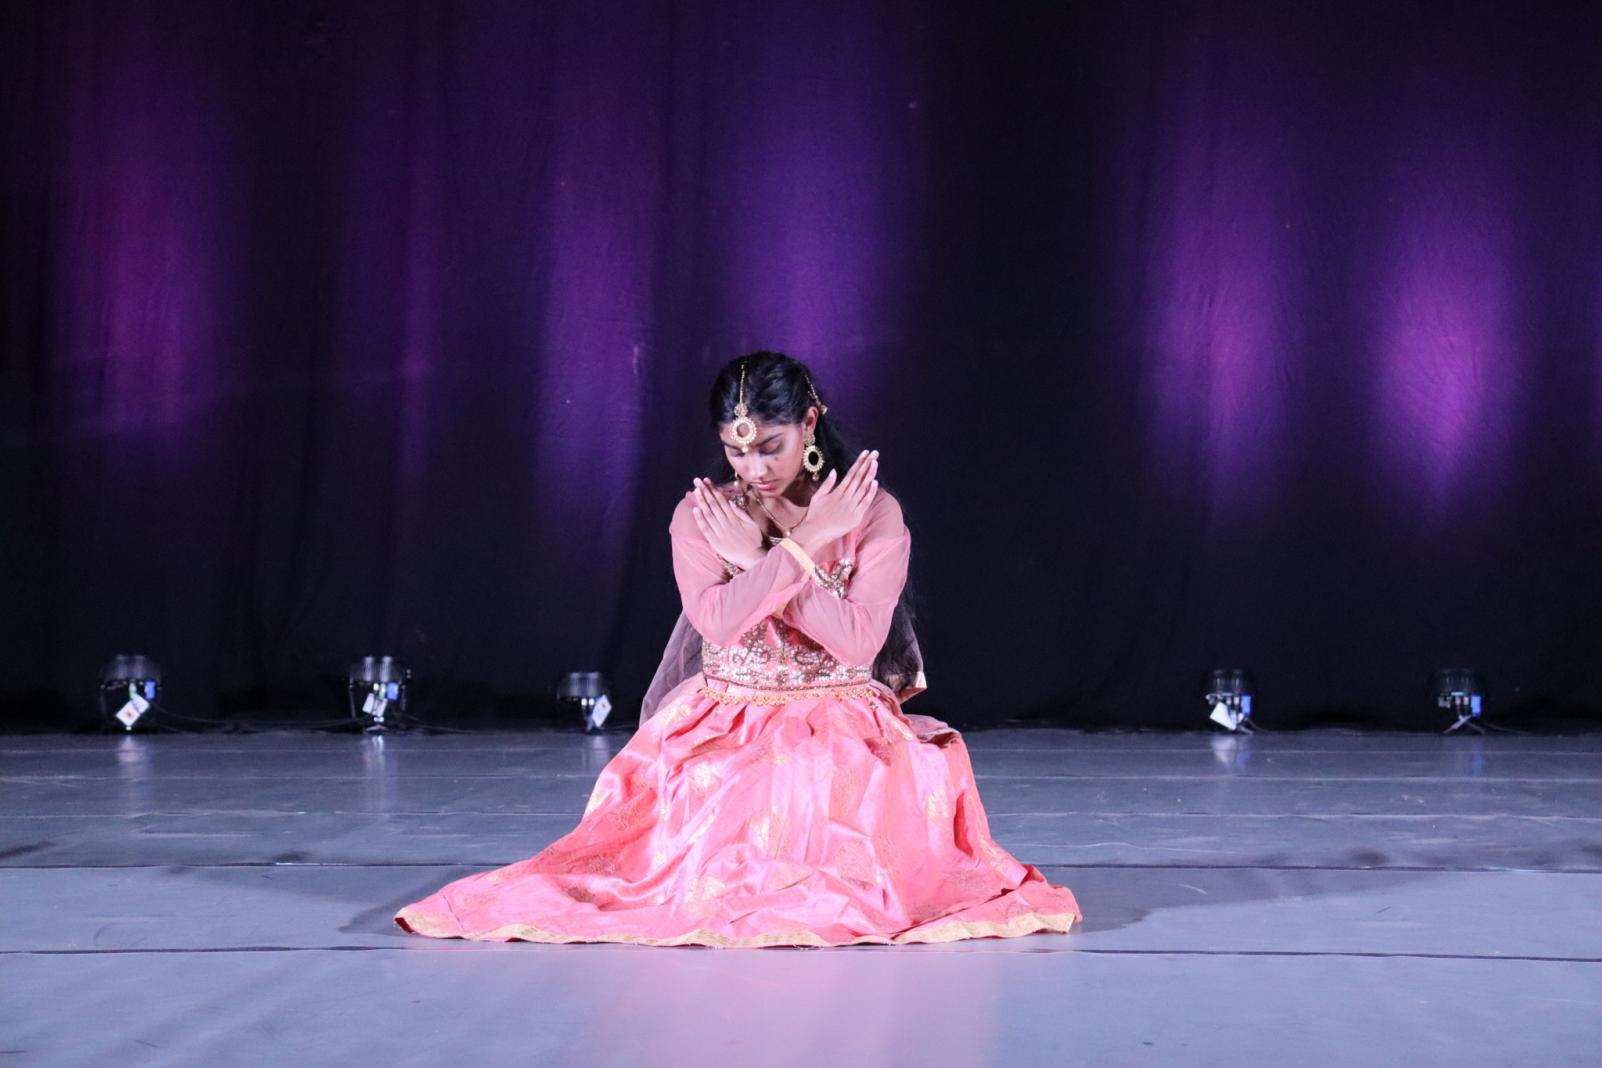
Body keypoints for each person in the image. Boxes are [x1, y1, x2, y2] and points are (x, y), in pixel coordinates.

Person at [394, 352, 1081, 946]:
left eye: (770, 447)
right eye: (736, 451)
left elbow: (857, 642)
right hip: (725, 717)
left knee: (828, 781)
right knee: (723, 790)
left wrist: (763, 558)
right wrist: (805, 544)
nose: (755, 468)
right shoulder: (705, 515)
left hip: (841, 718)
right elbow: (719, 625)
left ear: (810, 422)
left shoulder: (871, 514)